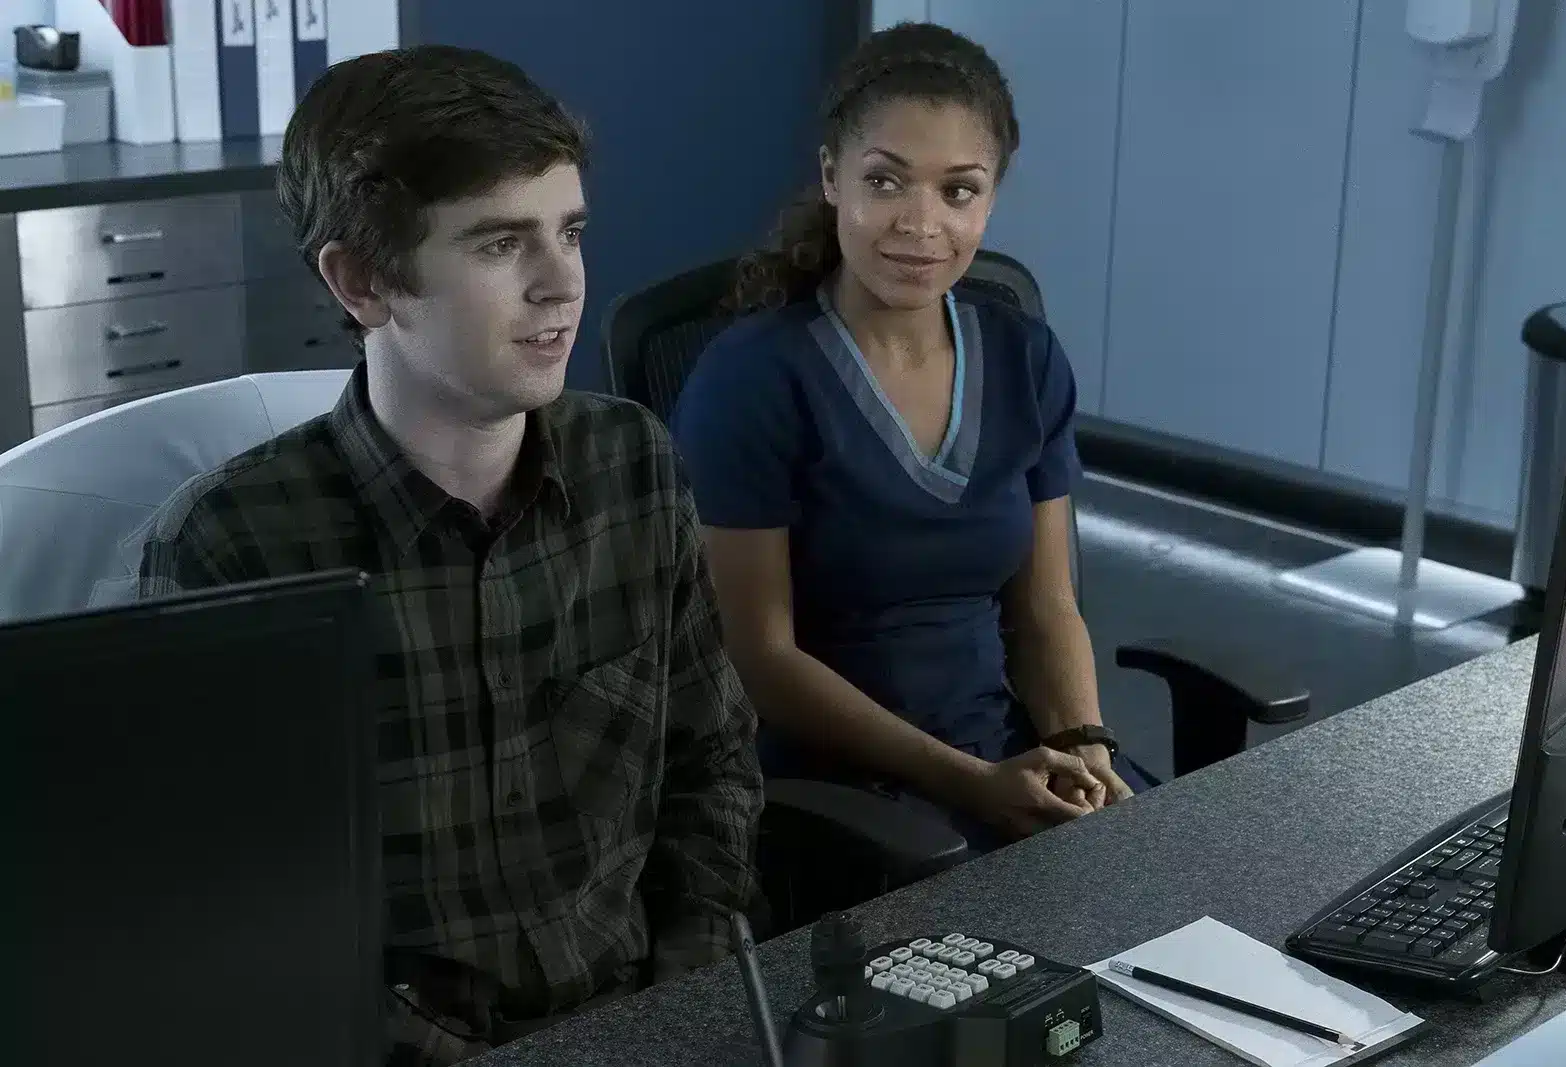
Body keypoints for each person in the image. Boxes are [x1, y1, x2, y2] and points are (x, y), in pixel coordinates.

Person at [134, 46, 763, 1066]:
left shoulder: (633, 464)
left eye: (570, 231)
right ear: (362, 279)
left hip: (645, 1022)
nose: (563, 283)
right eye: (499, 243)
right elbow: (220, 916)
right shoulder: (229, 549)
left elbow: (712, 763)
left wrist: (683, 1004)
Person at [670, 22, 1147, 857]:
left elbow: (1045, 607)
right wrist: (970, 783)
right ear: (832, 177)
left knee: (1188, 892)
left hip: (1006, 757)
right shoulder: (751, 378)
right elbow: (756, 657)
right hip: (839, 800)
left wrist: (1083, 747)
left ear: (991, 198)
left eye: (958, 191)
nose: (921, 224)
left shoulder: (1024, 356)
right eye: (886, 181)